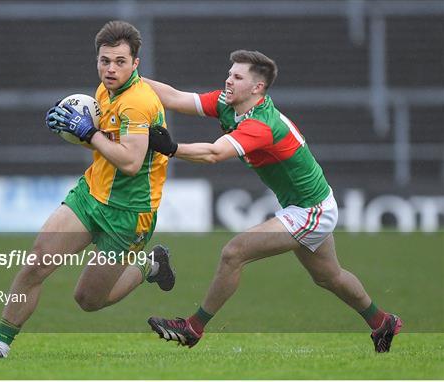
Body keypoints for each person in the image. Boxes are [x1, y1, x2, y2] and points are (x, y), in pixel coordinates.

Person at [145, 50, 402, 353]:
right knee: (330, 277)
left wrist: (170, 148)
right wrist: (131, 80)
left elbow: (214, 154)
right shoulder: (229, 104)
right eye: (230, 73)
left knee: (233, 253)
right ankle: (383, 322)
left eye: (237, 77)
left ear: (257, 88)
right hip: (310, 205)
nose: (228, 79)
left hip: (311, 210)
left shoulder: (262, 124)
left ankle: (193, 328)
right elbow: (175, 98)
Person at [0, 20, 175, 359]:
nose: (110, 68)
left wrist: (88, 133)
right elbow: (106, 146)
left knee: (87, 300)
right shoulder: (105, 92)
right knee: (35, 265)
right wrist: (70, 129)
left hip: (129, 214)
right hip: (90, 195)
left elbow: (130, 163)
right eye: (105, 60)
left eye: (120, 61)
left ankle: (151, 266)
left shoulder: (138, 102)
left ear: (136, 64)